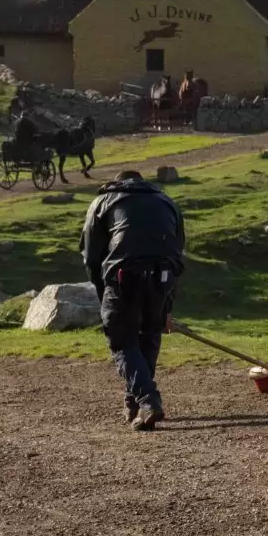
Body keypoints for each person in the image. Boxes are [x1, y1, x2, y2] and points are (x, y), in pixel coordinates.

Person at [82, 169, 186, 431]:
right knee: (149, 334)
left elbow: (91, 256)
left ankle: (148, 400)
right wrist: (166, 306)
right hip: (162, 275)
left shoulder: (103, 201)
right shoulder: (166, 202)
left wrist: (102, 293)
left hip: (124, 276)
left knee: (123, 340)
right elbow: (176, 253)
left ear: (118, 182)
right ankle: (135, 402)